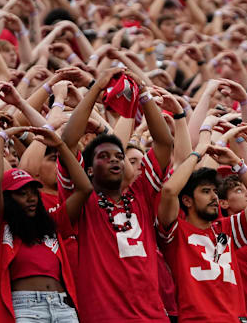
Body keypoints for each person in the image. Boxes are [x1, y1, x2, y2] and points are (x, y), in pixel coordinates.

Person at [54, 68, 174, 323]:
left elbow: (164, 144)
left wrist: (142, 93)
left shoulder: (141, 194)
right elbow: (67, 141)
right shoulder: (83, 199)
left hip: (153, 316)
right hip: (104, 316)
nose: (114, 161)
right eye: (104, 157)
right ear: (87, 169)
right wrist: (96, 88)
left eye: (119, 156)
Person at [156, 131, 247, 322]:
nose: (214, 197)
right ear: (186, 200)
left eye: (214, 191)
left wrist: (237, 162)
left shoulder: (225, 229)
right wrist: (197, 154)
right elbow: (169, 191)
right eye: (205, 191)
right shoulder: (175, 232)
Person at [0, 127, 87, 323]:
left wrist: (60, 145)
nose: (31, 198)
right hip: (25, 309)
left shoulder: (52, 223)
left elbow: (84, 188)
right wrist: (0, 138)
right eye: (22, 194)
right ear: (7, 199)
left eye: (33, 192)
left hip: (63, 307)